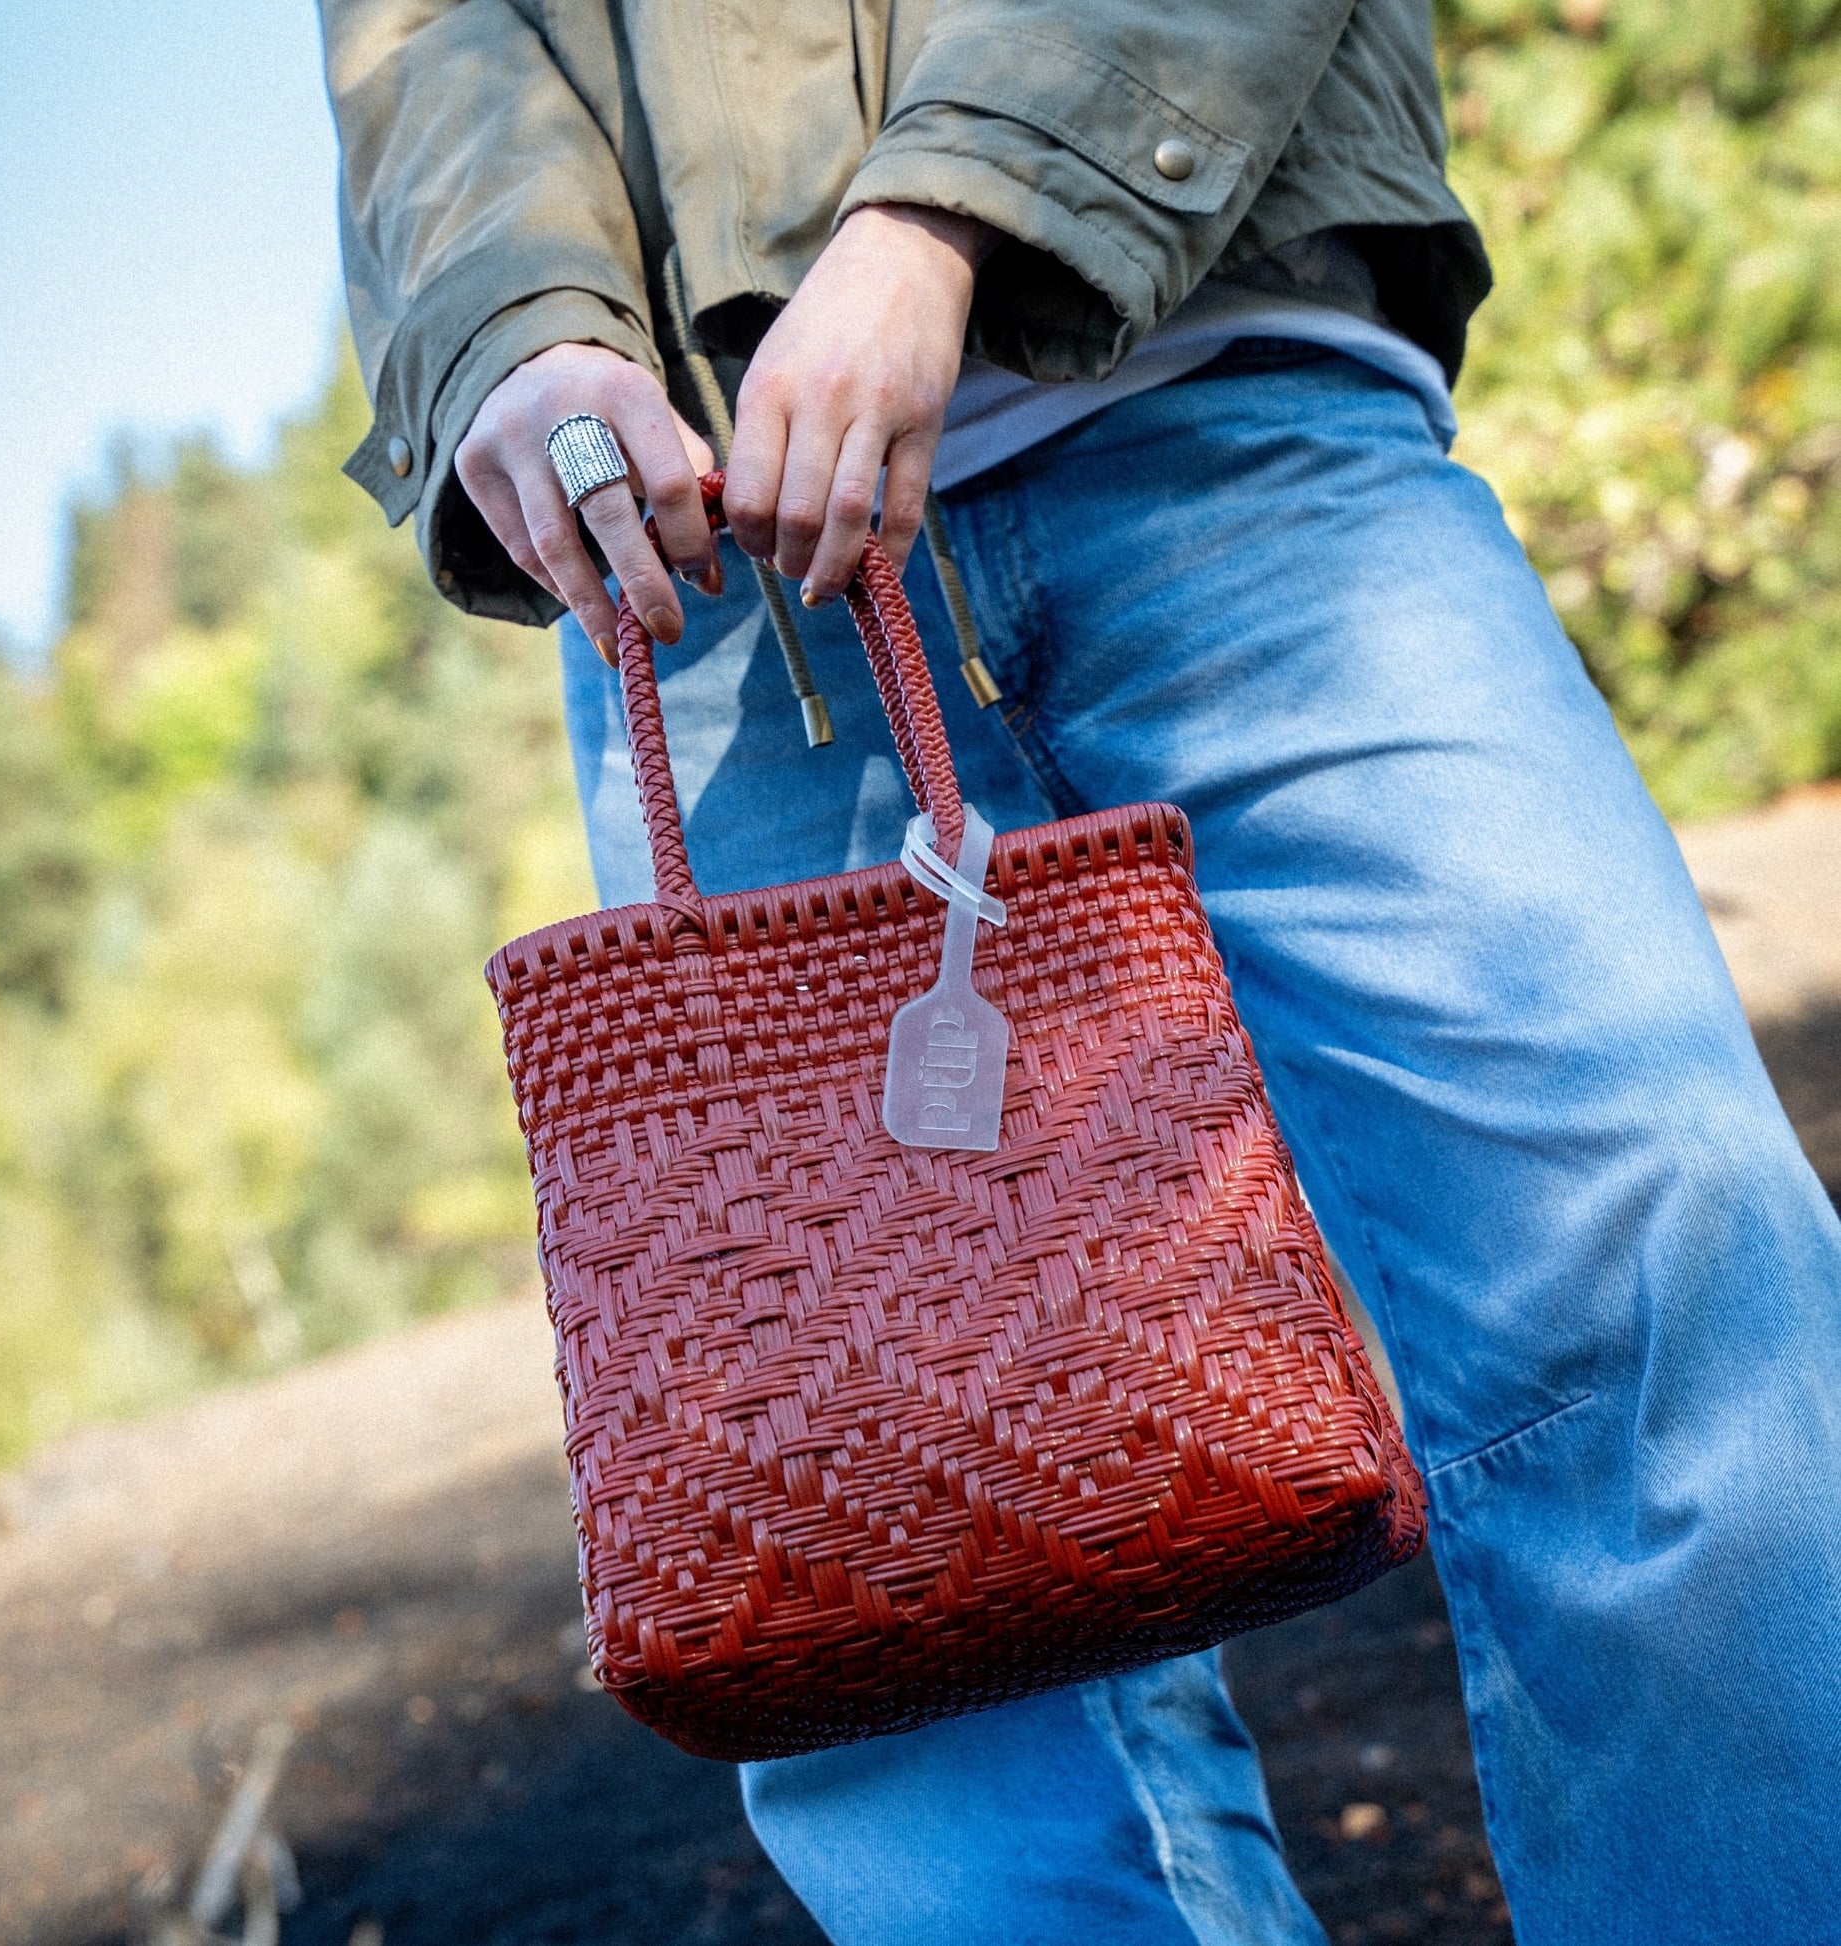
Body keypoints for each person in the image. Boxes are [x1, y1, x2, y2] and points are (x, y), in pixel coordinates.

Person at [314, 4, 1841, 1941]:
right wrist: (511, 326)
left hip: (1232, 396)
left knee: (1658, 1277)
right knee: (866, 1543)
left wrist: (947, 215)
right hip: (715, 579)